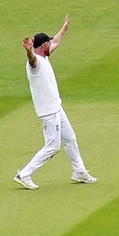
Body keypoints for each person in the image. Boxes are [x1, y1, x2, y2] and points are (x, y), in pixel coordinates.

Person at [13, 16, 93, 186]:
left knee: (70, 138)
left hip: (57, 108)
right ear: (43, 46)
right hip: (48, 112)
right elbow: (32, 59)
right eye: (48, 43)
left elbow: (56, 41)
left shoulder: (46, 56)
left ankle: (79, 171)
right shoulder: (35, 64)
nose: (51, 44)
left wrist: (64, 28)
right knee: (53, 147)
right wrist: (28, 51)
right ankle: (24, 174)